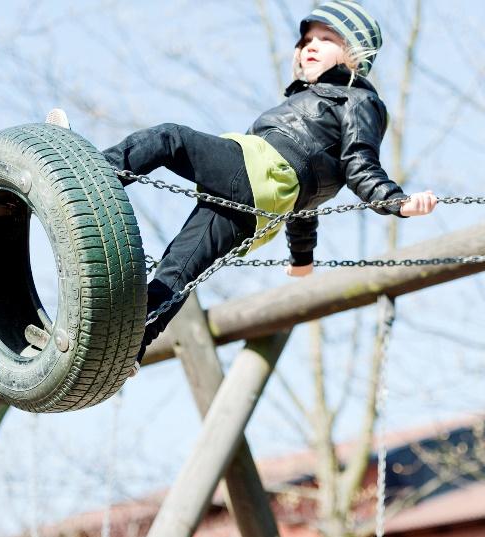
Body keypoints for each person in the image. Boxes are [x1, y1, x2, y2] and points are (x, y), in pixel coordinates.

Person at [46, 1, 437, 375]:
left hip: (258, 170)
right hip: (262, 202)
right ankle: (127, 351)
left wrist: (397, 202)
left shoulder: (358, 99)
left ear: (354, 52)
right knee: (179, 269)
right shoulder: (307, 100)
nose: (310, 46)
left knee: (170, 138)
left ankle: (88, 175)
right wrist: (302, 259)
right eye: (306, 41)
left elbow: (359, 164)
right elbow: (310, 197)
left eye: (326, 39)